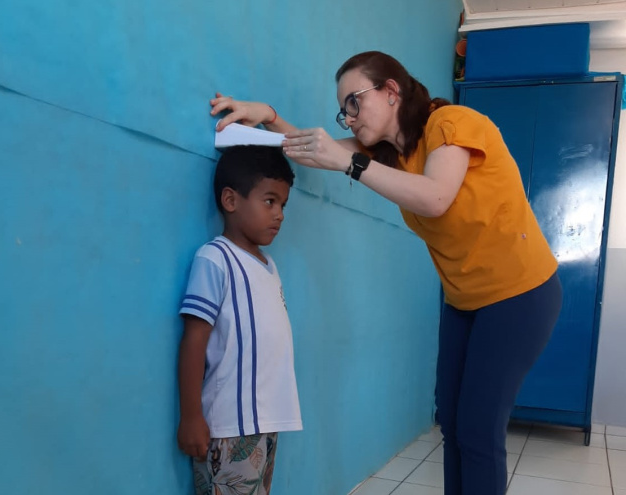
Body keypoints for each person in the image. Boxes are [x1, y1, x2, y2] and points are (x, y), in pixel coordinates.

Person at [210, 51, 562, 495]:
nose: (348, 118)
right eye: (344, 111)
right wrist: (271, 117)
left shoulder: (452, 123)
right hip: (464, 300)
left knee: (478, 429)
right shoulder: (392, 154)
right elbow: (313, 151)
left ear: (392, 91)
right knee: (452, 424)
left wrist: (352, 163)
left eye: (354, 102)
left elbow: (436, 197)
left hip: (520, 294)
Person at [177, 145, 301, 495]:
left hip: (267, 421)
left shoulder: (268, 266)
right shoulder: (216, 258)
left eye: (283, 205)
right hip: (229, 427)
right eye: (269, 201)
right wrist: (190, 417)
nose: (279, 215)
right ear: (230, 200)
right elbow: (195, 340)